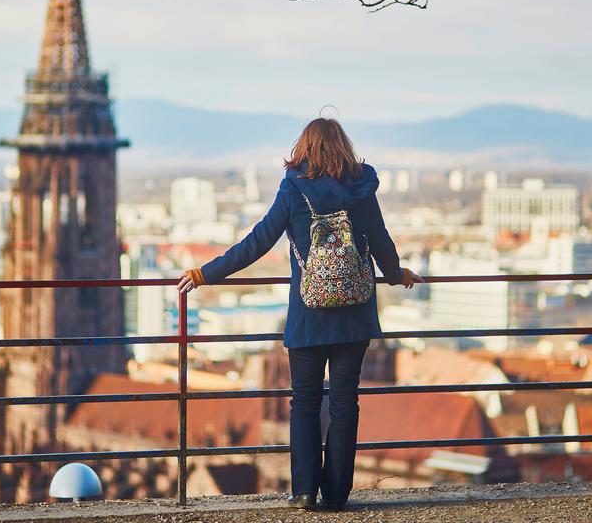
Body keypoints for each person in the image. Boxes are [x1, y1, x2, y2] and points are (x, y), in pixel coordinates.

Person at [178, 117, 423, 511]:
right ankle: (337, 494)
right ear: (343, 147)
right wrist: (397, 276)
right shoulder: (362, 188)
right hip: (355, 315)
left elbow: (257, 241)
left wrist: (205, 273)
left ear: (304, 149)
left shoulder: (293, 189)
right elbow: (381, 242)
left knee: (305, 402)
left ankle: (305, 492)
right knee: (345, 404)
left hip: (309, 317)